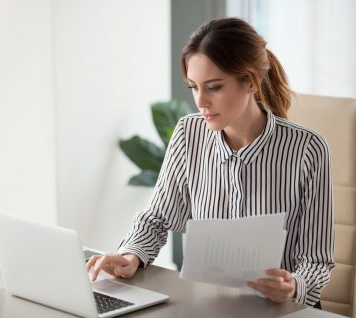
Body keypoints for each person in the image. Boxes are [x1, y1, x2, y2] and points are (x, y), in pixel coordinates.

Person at [87, 17, 334, 308]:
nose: (200, 101)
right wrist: (131, 255)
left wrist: (294, 286)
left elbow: (316, 260)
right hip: (207, 307)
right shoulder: (188, 134)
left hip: (281, 310)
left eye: (214, 87)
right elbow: (156, 219)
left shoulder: (308, 148)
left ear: (251, 81)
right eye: (193, 87)